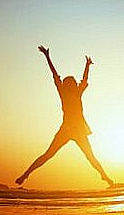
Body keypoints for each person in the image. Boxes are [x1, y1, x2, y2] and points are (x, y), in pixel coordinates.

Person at [16, 45, 114, 187]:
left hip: (79, 130)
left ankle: (106, 178)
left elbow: (84, 79)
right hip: (67, 130)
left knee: (90, 157)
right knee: (48, 155)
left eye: (75, 82)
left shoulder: (78, 93)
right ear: (69, 84)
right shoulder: (63, 93)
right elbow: (55, 75)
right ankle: (25, 174)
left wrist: (87, 66)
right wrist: (47, 57)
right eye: (73, 82)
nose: (76, 83)